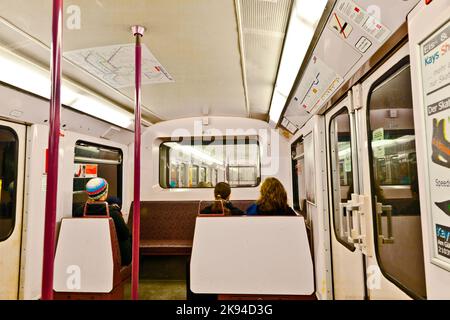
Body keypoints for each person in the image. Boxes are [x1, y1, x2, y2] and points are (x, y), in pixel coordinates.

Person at [78, 178, 132, 266]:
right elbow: (124, 233)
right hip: (113, 255)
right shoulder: (113, 213)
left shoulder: (80, 211)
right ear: (105, 193)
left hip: (88, 252)